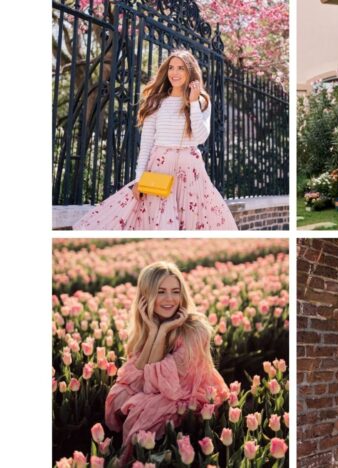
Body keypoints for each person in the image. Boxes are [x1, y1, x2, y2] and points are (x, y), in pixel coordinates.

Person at [74, 49, 238, 230]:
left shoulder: (201, 101)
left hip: (191, 171)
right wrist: (138, 180)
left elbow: (200, 137)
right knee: (161, 221)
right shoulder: (156, 101)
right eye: (171, 68)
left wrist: (192, 103)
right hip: (160, 167)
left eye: (181, 68)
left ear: (190, 71)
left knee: (190, 222)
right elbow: (145, 146)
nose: (174, 73)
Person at [105, 261, 228, 460]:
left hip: (187, 396)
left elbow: (155, 386)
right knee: (119, 393)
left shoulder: (195, 330)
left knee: (145, 409)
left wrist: (161, 332)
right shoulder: (148, 326)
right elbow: (133, 376)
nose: (169, 299)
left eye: (175, 291)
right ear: (146, 296)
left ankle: (142, 457)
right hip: (161, 388)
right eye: (161, 292)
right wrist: (155, 331)